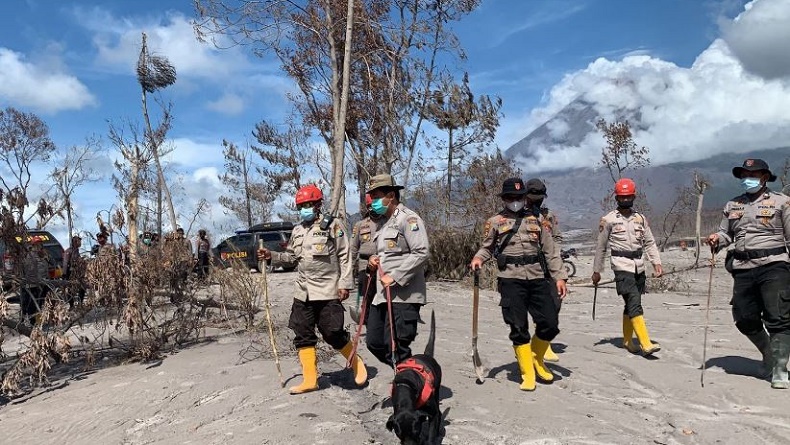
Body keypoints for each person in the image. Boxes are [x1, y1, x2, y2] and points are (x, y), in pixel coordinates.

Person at [257, 184, 367, 394]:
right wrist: (271, 256)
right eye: (301, 206)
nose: (304, 209)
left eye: (308, 205)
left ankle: (356, 363)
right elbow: (291, 258)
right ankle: (310, 379)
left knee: (332, 332)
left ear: (318, 205)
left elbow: (345, 256)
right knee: (302, 333)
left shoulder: (333, 225)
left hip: (328, 289)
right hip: (303, 292)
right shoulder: (298, 230)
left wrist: (345, 284)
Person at [470, 177, 568, 391]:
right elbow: (487, 247)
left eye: (519, 197)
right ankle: (527, 372)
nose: (515, 201)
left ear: (525, 198)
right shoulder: (495, 222)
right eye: (510, 197)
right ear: (504, 199)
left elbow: (551, 251)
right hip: (510, 279)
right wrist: (478, 258)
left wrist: (559, 277)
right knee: (518, 326)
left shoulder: (537, 220)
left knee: (549, 324)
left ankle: (536, 358)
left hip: (537, 277)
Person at [706, 159, 790, 389]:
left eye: (752, 174)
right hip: (743, 268)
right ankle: (768, 354)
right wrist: (717, 240)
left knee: (779, 318)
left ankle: (780, 370)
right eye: (743, 174)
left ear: (764, 176)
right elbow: (726, 234)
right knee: (744, 318)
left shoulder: (782, 202)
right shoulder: (733, 205)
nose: (747, 178)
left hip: (774, 265)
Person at [592, 178, 663, 357]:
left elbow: (649, 242)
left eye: (628, 197)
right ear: (616, 198)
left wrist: (656, 262)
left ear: (634, 196)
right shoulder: (608, 220)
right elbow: (601, 246)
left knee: (631, 303)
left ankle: (627, 341)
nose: (625, 200)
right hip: (621, 265)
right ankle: (645, 343)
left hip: (639, 266)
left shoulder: (640, 219)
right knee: (634, 301)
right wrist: (596, 271)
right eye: (622, 197)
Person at [365, 174, 430, 367]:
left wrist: (395, 276)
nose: (373, 202)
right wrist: (372, 261)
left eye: (376, 197)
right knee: (374, 342)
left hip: (404, 295)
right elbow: (387, 254)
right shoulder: (384, 224)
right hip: (382, 295)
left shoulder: (408, 219)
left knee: (397, 346)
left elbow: (421, 252)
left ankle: (407, 387)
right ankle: (412, 372)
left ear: (391, 195)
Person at [533, 178, 563, 363]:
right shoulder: (522, 215)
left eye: (540, 197)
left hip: (550, 266)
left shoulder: (549, 216)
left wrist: (555, 253)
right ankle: (543, 346)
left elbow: (557, 236)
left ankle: (543, 341)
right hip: (531, 268)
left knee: (555, 303)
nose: (537, 200)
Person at [350, 194, 382, 324]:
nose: (372, 209)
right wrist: (350, 271)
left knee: (382, 298)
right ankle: (369, 323)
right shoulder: (360, 225)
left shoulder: (387, 222)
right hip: (365, 266)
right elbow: (352, 248)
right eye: (370, 206)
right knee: (367, 297)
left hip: (383, 265)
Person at [21, 240, 49, 325]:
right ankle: (31, 321)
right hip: (32, 284)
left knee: (41, 302)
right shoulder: (30, 255)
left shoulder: (40, 255)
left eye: (41, 244)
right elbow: (30, 271)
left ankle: (38, 319)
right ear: (34, 245)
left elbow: (44, 268)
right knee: (31, 303)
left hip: (42, 282)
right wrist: (36, 281)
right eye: (39, 244)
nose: (41, 246)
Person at [63, 235, 87, 308]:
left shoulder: (77, 251)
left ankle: (80, 304)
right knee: (71, 289)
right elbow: (65, 263)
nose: (80, 243)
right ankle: (71, 305)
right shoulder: (69, 251)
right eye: (79, 241)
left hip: (78, 273)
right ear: (75, 242)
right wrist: (64, 274)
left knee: (82, 287)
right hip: (70, 273)